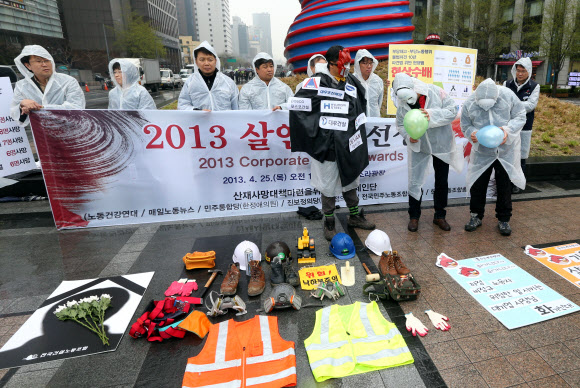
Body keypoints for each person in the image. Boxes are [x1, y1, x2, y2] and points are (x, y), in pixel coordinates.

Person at [290, 45, 375, 241]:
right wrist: (320, 132)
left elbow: (361, 106)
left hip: (348, 144)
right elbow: (299, 108)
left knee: (351, 180)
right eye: (342, 64)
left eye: (348, 64)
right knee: (328, 185)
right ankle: (329, 221)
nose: (346, 68)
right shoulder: (315, 83)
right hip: (326, 145)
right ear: (331, 64)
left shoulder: (352, 81)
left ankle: (354, 216)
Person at [393, 73, 462, 232]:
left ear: (414, 87)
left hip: (441, 143)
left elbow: (452, 110)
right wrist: (409, 136)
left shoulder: (436, 92)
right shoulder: (403, 101)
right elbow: (400, 124)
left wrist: (432, 114)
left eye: (410, 96)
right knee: (415, 179)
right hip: (419, 144)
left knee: (441, 179)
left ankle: (440, 215)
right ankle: (414, 216)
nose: (407, 101)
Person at [461, 79, 527, 236]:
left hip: (505, 150)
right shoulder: (470, 102)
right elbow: (465, 124)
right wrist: (472, 133)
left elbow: (520, 115)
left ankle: (504, 219)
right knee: (478, 182)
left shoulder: (507, 95)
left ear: (496, 97)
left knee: (504, 184)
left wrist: (507, 130)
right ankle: (475, 216)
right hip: (482, 151)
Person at [10, 45, 85, 126]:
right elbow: (15, 114)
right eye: (39, 61)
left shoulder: (68, 81)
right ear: (28, 65)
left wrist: (40, 108)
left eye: (47, 60)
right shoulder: (22, 86)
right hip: (41, 133)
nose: (44, 64)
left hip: (70, 130)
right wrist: (23, 105)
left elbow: (76, 107)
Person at [504, 57, 539, 193]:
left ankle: (518, 183)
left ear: (528, 71)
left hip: (525, 126)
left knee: (521, 156)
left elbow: (530, 105)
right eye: (518, 70)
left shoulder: (534, 86)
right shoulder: (507, 84)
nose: (519, 74)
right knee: (507, 153)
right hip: (509, 125)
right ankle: (506, 182)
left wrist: (512, 104)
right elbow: (502, 101)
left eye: (523, 71)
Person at [178, 41, 238, 111]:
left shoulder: (228, 83)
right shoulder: (190, 83)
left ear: (215, 61)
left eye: (210, 60)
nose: (206, 63)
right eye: (202, 60)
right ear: (196, 61)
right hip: (200, 121)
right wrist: (196, 110)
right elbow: (182, 105)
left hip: (224, 121)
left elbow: (236, 107)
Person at [353, 49, 384, 118]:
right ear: (358, 64)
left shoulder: (377, 81)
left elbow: (379, 102)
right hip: (357, 120)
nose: (369, 66)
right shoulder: (352, 81)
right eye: (365, 63)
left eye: (370, 63)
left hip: (374, 120)